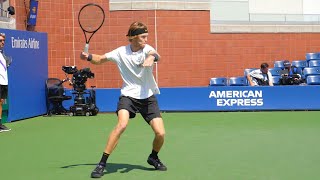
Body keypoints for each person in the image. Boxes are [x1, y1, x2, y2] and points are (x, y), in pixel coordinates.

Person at [80, 21, 167, 178]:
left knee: (160, 133)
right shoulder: (121, 52)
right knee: (122, 125)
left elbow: (155, 55)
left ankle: (153, 157)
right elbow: (100, 59)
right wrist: (89, 57)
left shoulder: (147, 49)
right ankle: (102, 164)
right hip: (128, 95)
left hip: (147, 97)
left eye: (147, 36)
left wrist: (150, 58)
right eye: (143, 37)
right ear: (133, 37)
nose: (146, 39)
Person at [0, 33, 11, 133]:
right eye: (0, 41)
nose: (2, 42)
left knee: (1, 103)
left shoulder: (2, 53)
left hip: (4, 82)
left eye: (3, 40)